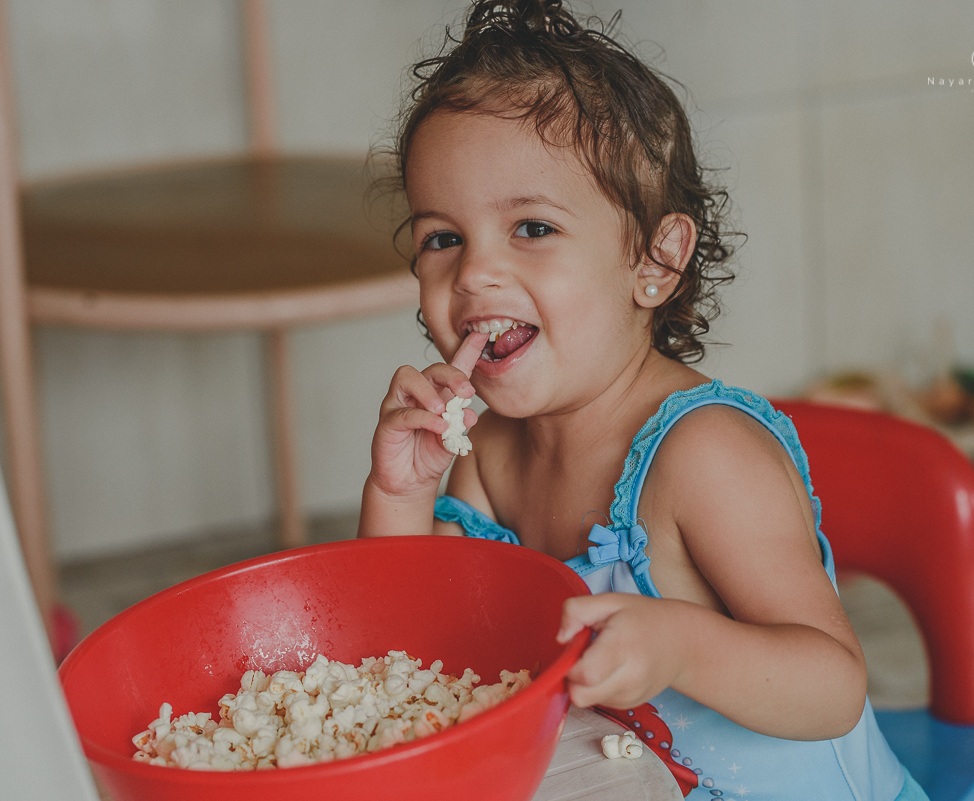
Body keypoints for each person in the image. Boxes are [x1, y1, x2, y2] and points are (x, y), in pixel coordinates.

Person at [358, 2, 926, 798]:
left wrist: (683, 646)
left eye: (531, 227)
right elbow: (407, 659)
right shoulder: (484, 453)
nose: (474, 273)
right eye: (442, 238)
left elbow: (833, 687)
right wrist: (399, 493)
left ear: (656, 260)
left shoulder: (705, 455)